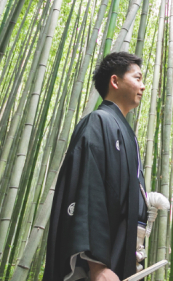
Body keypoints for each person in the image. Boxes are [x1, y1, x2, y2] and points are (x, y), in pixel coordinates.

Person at [44, 52, 149, 281]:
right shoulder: (98, 121)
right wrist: (96, 265)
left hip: (122, 251)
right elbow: (89, 188)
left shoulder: (127, 133)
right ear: (115, 81)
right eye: (138, 78)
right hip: (100, 263)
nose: (143, 86)